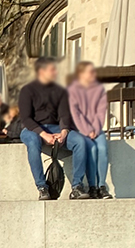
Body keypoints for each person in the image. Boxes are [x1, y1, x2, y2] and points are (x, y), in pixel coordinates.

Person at [17, 58, 89, 199]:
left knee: (80, 141)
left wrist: (64, 132)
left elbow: (64, 115)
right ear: (41, 71)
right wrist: (44, 134)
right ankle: (42, 187)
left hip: (56, 128)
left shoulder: (60, 91)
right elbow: (26, 118)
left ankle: (77, 186)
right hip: (33, 129)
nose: (55, 72)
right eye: (52, 70)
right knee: (33, 143)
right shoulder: (27, 91)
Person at [68, 61, 112, 199]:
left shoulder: (99, 90)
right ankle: (92, 186)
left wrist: (96, 129)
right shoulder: (73, 90)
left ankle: (102, 186)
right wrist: (87, 130)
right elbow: (76, 114)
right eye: (90, 72)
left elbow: (101, 112)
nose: (93, 74)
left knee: (103, 148)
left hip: (97, 129)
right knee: (92, 150)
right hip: (81, 129)